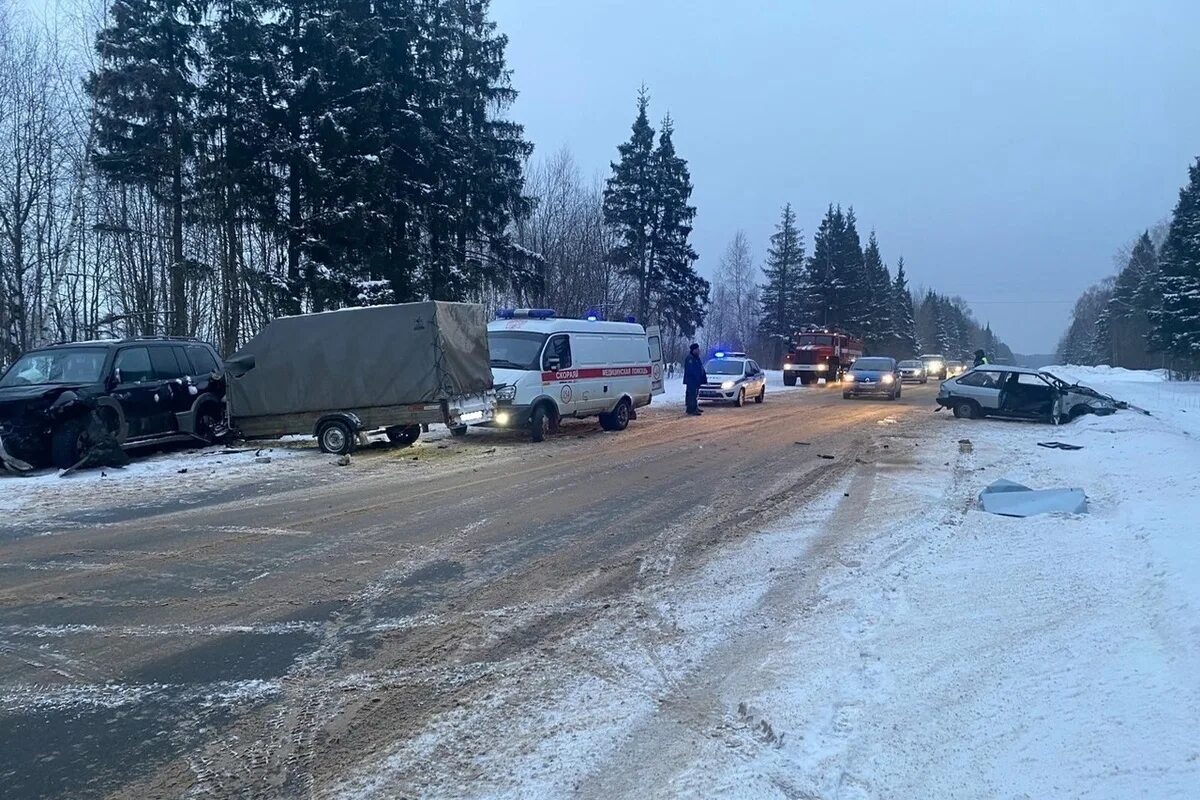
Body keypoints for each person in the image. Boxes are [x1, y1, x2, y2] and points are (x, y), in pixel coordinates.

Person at [683, 343, 706, 416]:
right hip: (691, 380)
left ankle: (694, 407)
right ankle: (691, 409)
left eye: (698, 349)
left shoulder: (696, 358)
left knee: (695, 394)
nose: (698, 351)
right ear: (693, 350)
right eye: (697, 349)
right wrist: (696, 378)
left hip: (696, 380)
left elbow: (700, 368)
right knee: (691, 395)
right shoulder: (690, 358)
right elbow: (691, 370)